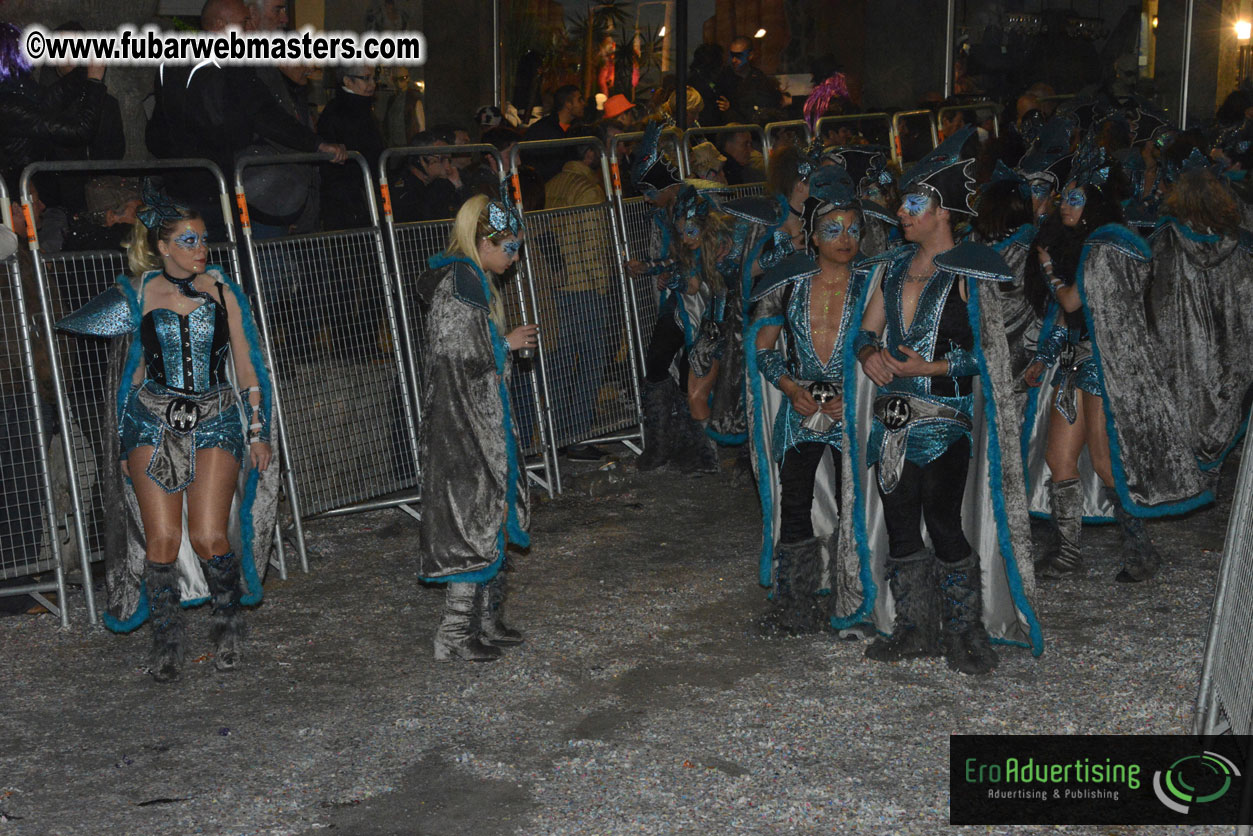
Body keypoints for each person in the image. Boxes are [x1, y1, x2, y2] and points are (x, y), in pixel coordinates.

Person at [55, 186, 279, 682]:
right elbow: (127, 374)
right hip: (150, 420)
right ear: (162, 246)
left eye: (204, 239)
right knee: (161, 538)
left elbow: (247, 365)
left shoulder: (223, 290)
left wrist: (258, 430)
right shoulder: (135, 293)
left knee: (207, 535)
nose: (201, 248)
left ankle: (227, 629)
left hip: (216, 417)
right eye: (189, 240)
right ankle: (167, 644)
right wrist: (119, 442)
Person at [849, 128, 1042, 675]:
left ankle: (966, 633)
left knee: (943, 518)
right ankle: (914, 628)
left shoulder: (969, 272)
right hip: (892, 419)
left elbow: (991, 356)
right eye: (903, 203)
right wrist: (869, 356)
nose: (902, 213)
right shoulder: (890, 267)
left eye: (914, 204)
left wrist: (926, 367)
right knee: (901, 520)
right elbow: (866, 333)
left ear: (941, 211)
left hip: (945, 418)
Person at [1021, 147, 1212, 583]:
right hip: (1073, 368)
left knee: (1107, 463)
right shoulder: (1082, 248)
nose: (1065, 205)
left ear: (1094, 207)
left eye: (1075, 199)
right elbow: (1066, 320)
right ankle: (1067, 553)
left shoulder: (1105, 250)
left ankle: (1140, 551)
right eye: (1064, 198)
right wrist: (1043, 359)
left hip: (1102, 371)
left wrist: (1048, 267)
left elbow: (1070, 301)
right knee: (1057, 459)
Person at [414, 191, 536, 662]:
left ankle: (483, 619)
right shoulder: (458, 286)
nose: (515, 257)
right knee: (469, 519)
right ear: (483, 241)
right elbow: (455, 356)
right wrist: (504, 344)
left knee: (491, 512)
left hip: (479, 418)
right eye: (509, 247)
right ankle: (454, 633)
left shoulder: (474, 280)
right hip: (459, 424)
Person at [747, 168, 865, 634]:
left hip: (849, 410)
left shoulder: (873, 285)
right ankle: (794, 602)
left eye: (854, 229)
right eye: (833, 229)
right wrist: (793, 390)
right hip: (801, 411)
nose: (845, 238)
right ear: (813, 237)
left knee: (853, 500)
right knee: (794, 500)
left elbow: (881, 345)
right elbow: (763, 349)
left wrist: (853, 394)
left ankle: (852, 595)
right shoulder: (789, 282)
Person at [1149, 158, 1253, 474]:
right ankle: (1208, 476)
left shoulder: (1163, 240)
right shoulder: (1242, 247)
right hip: (1226, 356)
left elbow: (1152, 297)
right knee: (1218, 414)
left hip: (1177, 355)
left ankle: (1180, 481)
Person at [624, 123, 699, 472]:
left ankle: (693, 451)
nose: (645, 198)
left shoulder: (693, 207)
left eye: (648, 190)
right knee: (658, 366)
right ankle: (663, 445)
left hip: (698, 300)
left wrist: (652, 268)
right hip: (677, 299)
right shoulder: (665, 212)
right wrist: (656, 269)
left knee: (687, 370)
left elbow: (694, 255)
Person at [544, 132, 614, 461]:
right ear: (589, 155)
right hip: (585, 287)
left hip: (559, 287)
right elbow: (596, 244)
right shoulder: (589, 190)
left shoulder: (553, 183)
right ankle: (579, 435)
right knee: (590, 363)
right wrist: (604, 286)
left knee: (559, 364)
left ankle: (554, 433)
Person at [316, 65, 387, 230]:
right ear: (348, 81)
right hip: (348, 200)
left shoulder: (363, 110)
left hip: (363, 195)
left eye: (374, 78)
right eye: (366, 78)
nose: (372, 84)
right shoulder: (339, 111)